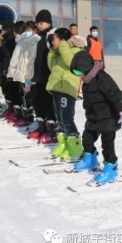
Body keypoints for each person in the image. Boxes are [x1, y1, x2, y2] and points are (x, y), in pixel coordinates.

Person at [70, 51, 122, 185]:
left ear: (86, 67)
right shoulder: (87, 80)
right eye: (76, 73)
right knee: (87, 138)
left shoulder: (101, 78)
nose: (79, 76)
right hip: (94, 116)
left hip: (108, 116)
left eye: (79, 72)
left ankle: (111, 168)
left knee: (107, 144)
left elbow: (116, 94)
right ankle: (90, 159)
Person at [46, 27, 84, 161]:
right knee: (59, 118)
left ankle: (75, 148)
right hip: (57, 88)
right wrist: (52, 51)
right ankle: (64, 144)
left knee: (67, 118)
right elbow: (52, 67)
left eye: (55, 39)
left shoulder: (74, 50)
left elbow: (70, 63)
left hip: (67, 88)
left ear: (62, 40)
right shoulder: (60, 53)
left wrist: (62, 45)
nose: (52, 42)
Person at [28, 9, 56, 143]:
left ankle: (52, 130)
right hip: (37, 75)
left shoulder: (52, 36)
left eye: (42, 22)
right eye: (38, 23)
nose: (39, 25)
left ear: (49, 22)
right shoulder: (37, 37)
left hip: (48, 76)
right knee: (36, 101)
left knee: (48, 102)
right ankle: (41, 127)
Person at [6, 21, 40, 127]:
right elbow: (15, 58)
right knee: (24, 95)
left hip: (32, 74)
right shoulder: (21, 41)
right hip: (22, 73)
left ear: (35, 31)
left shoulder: (38, 41)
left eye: (30, 31)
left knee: (31, 95)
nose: (28, 33)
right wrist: (11, 73)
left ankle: (33, 117)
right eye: (26, 31)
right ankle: (26, 117)